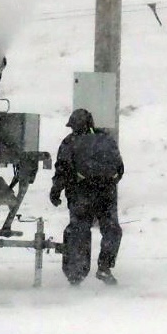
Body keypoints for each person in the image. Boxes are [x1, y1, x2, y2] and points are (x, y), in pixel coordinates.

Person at [50, 108, 123, 286]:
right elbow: (120, 168)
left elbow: (63, 169)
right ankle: (105, 267)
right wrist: (107, 183)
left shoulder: (69, 142)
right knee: (112, 230)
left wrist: (56, 190)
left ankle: (77, 273)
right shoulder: (106, 139)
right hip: (106, 193)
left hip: (80, 193)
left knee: (79, 231)